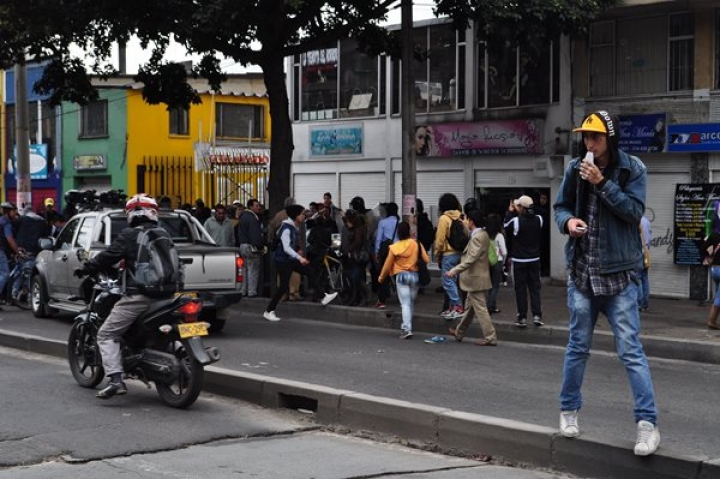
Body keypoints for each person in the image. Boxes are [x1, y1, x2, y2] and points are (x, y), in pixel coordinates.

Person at [554, 110, 660, 456]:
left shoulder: (632, 169)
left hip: (619, 278)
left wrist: (601, 182)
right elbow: (560, 206)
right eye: (585, 137)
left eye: (595, 137)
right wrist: (568, 222)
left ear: (609, 139)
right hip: (583, 274)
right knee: (577, 347)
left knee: (630, 351)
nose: (589, 143)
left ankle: (647, 426)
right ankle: (568, 411)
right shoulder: (574, 169)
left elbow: (633, 213)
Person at [74, 194, 178, 399]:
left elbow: (108, 256)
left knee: (106, 334)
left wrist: (88, 267)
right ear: (153, 212)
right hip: (167, 296)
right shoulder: (164, 233)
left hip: (139, 297)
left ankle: (115, 379)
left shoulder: (129, 235)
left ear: (132, 213)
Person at [264, 204, 338, 322]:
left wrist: (297, 249)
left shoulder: (293, 226)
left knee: (310, 271)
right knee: (283, 287)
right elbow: (286, 248)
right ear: (296, 215)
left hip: (290, 260)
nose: (304, 216)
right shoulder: (287, 228)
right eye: (302, 213)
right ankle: (268, 311)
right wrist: (300, 258)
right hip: (283, 261)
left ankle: (323, 296)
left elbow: (290, 245)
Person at [445, 210, 498, 346]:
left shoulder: (477, 237)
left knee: (480, 309)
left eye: (467, 220)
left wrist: (454, 270)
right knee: (470, 308)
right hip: (476, 278)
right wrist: (464, 226)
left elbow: (470, 259)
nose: (466, 221)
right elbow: (472, 236)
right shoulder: (482, 234)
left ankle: (490, 337)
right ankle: (459, 332)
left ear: (472, 222)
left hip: (475, 279)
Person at [378, 221, 429, 339]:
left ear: (398, 234)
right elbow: (426, 260)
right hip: (415, 277)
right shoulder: (416, 243)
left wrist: (381, 278)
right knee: (410, 303)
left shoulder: (394, 247)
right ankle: (408, 326)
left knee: (405, 304)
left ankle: (407, 329)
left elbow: (387, 265)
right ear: (409, 231)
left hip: (401, 277)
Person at [504, 195, 543, 327]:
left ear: (521, 208)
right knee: (535, 288)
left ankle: (522, 317)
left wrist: (510, 211)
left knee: (520, 289)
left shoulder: (515, 221)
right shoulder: (539, 219)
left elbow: (505, 225)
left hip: (519, 260)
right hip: (535, 259)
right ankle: (537, 315)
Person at [433, 193, 465, 319]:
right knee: (454, 281)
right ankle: (452, 308)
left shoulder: (444, 219)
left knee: (448, 282)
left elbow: (440, 239)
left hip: (448, 254)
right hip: (460, 253)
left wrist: (437, 253)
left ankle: (457, 307)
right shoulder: (460, 217)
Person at [12, 205, 50, 302]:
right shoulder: (42, 221)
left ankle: (14, 293)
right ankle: (30, 296)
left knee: (19, 271)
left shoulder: (21, 219)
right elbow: (46, 235)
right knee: (30, 273)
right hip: (34, 250)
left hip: (21, 249)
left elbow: (13, 231)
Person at [373, 202, 400, 309]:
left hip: (387, 251)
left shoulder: (383, 222)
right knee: (398, 275)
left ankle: (382, 301)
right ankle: (403, 299)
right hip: (398, 250)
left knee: (384, 275)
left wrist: (376, 252)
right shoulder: (400, 221)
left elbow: (379, 239)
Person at [236, 199, 265, 298]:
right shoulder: (252, 218)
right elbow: (255, 235)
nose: (258, 207)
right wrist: (260, 246)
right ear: (250, 207)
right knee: (253, 270)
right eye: (256, 205)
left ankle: (243, 290)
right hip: (251, 247)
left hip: (242, 246)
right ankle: (252, 291)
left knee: (244, 270)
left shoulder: (243, 217)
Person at [342, 209, 369, 306]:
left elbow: (357, 242)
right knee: (355, 277)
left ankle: (364, 297)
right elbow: (348, 226)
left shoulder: (359, 229)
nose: (348, 222)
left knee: (355, 277)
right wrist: (344, 218)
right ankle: (356, 298)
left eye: (349, 219)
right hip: (357, 256)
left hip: (359, 257)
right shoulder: (358, 226)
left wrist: (348, 250)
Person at [485, 213, 507, 315]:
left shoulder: (484, 234)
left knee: (489, 285)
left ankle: (489, 305)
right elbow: (505, 252)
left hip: (486, 262)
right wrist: (503, 262)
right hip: (497, 262)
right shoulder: (499, 235)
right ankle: (491, 307)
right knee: (495, 286)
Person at [0, 202, 19, 306]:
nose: (15, 214)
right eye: (14, 211)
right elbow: (10, 239)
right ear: (9, 211)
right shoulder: (6, 223)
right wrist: (18, 252)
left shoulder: (1, 220)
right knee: (5, 274)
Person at [704, 231, 720, 330]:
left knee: (718, 294)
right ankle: (712, 321)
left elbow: (702, 248)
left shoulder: (714, 235)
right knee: (719, 297)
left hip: (714, 269)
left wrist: (708, 257)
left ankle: (714, 321)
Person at [638, 214, 651, 312]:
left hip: (637, 253)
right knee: (644, 278)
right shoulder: (646, 221)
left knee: (637, 279)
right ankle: (645, 304)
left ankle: (638, 304)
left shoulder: (635, 221)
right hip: (646, 253)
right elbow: (649, 239)